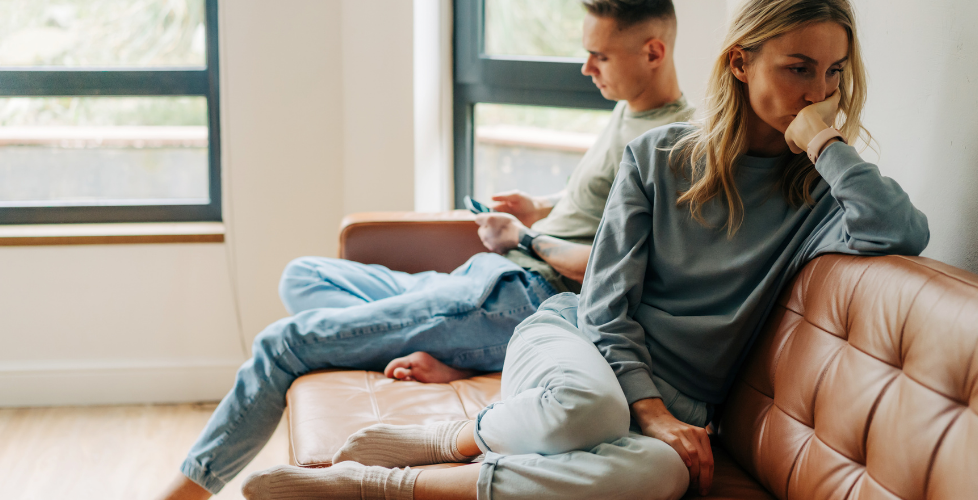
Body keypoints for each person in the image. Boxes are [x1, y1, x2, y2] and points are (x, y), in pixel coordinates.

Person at [239, 0, 930, 499]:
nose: (821, 94)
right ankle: (447, 439)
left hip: (679, 401)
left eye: (835, 73)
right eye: (800, 69)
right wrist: (650, 411)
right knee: (592, 409)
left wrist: (826, 144)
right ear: (741, 64)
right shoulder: (658, 157)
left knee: (662, 475)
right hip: (580, 346)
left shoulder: (814, 194)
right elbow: (602, 306)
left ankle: (377, 487)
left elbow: (898, 231)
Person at [156, 1, 692, 498]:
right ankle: (441, 345)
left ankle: (186, 491)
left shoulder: (671, 145)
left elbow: (613, 269)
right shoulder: (631, 107)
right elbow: (599, 205)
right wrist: (540, 206)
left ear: (653, 52)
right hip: (485, 278)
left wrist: (524, 238)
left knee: (283, 343)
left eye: (599, 56)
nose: (586, 68)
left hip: (524, 296)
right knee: (303, 275)